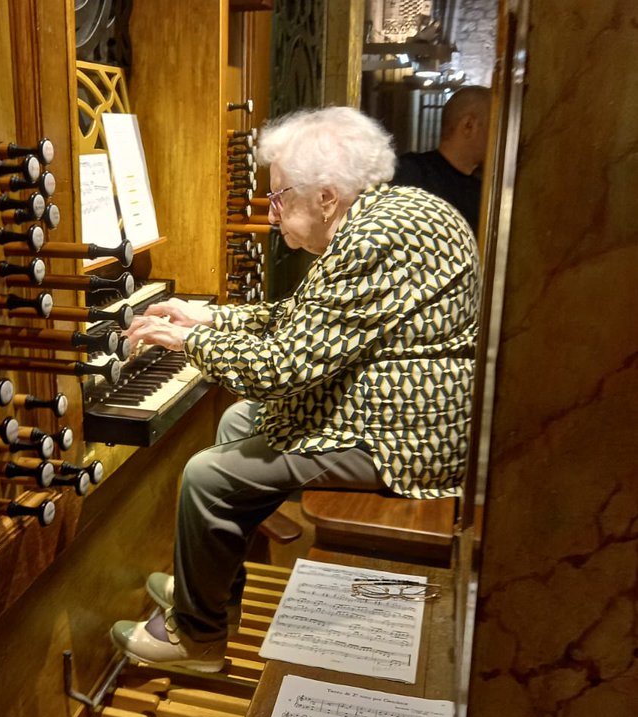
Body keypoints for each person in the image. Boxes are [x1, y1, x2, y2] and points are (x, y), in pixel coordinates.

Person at [109, 105, 480, 673]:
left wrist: (187, 344)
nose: (272, 212)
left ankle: (197, 638)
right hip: (401, 407)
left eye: (280, 196)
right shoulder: (388, 214)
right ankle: (209, 593)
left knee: (208, 475)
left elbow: (282, 366)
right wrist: (208, 319)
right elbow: (306, 317)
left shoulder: (375, 238)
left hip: (410, 436)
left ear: (326, 197)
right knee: (239, 423)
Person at [392, 84, 490, 234]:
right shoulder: (409, 174)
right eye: (494, 128)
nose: (499, 140)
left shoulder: (483, 193)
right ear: (469, 125)